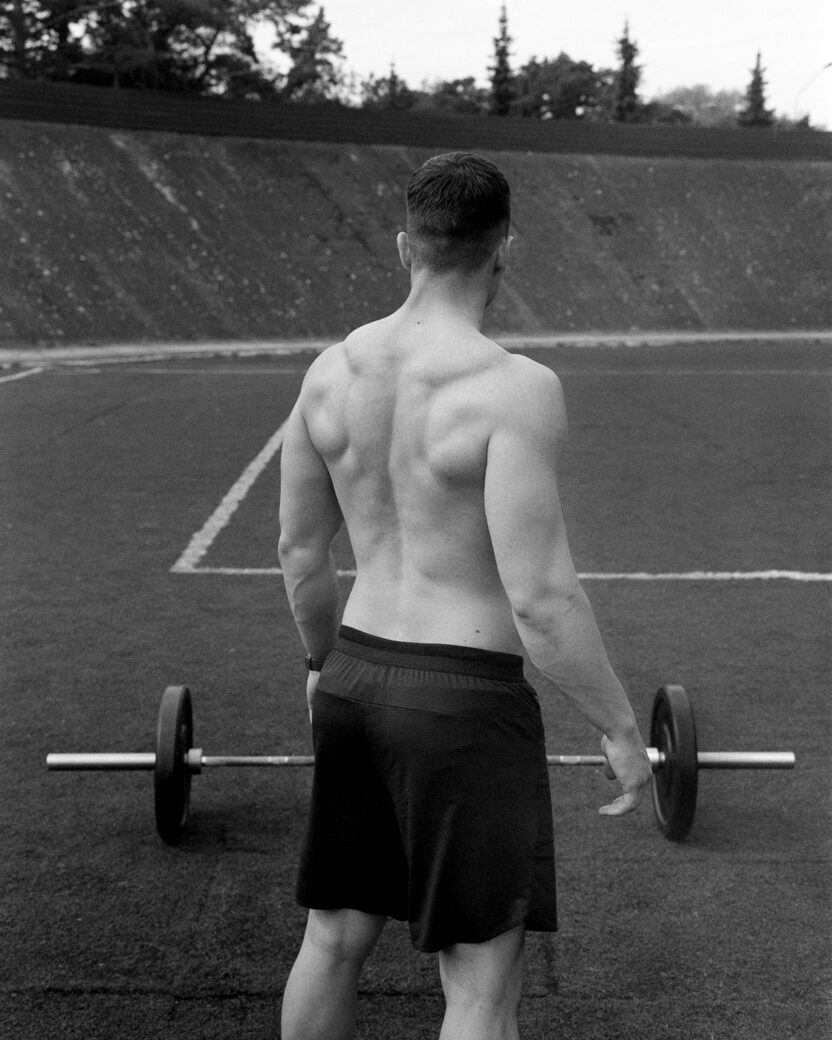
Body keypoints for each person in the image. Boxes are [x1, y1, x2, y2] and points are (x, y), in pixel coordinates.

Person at [277, 151, 652, 1040]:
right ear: (503, 248)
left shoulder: (329, 373)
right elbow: (542, 599)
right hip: (462, 700)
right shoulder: (514, 389)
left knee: (333, 937)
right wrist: (617, 727)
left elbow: (300, 550)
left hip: (354, 676)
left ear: (405, 245)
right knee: (481, 983)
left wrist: (322, 665)